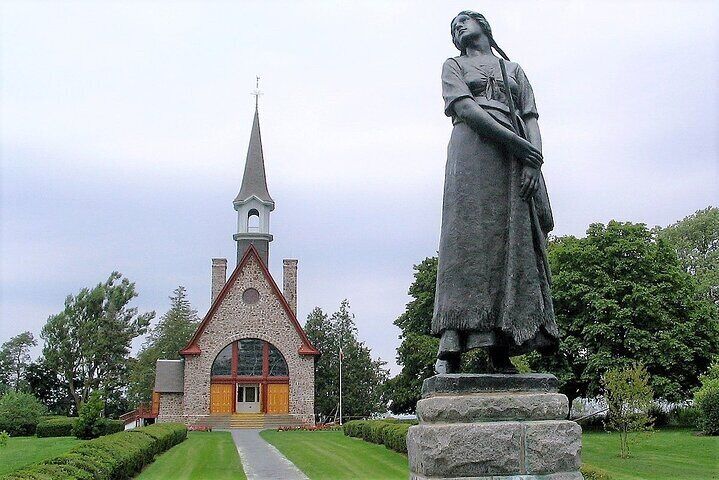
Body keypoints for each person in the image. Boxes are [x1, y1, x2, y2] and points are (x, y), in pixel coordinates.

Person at [433, 11, 559, 374]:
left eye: (463, 21)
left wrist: (532, 162)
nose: (457, 27)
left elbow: (531, 116)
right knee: (464, 241)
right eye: (452, 26)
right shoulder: (452, 66)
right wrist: (521, 148)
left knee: (509, 243)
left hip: (513, 159)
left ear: (483, 26)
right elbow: (466, 109)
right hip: (472, 153)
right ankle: (451, 343)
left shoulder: (514, 69)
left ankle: (499, 345)